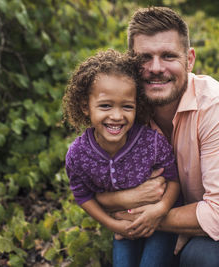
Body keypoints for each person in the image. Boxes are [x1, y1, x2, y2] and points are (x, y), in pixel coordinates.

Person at [95, 7, 219, 267]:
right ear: (131, 63)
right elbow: (101, 185)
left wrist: (145, 218)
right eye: (144, 58)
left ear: (190, 59)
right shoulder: (126, 110)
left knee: (201, 258)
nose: (156, 68)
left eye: (168, 56)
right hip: (176, 209)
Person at [62, 49, 180, 267]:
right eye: (105, 105)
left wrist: (160, 209)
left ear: (138, 106)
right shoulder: (78, 155)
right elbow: (82, 195)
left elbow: (173, 180)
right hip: (121, 226)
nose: (116, 116)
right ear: (85, 107)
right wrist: (113, 225)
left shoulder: (152, 143)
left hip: (161, 222)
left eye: (127, 106)